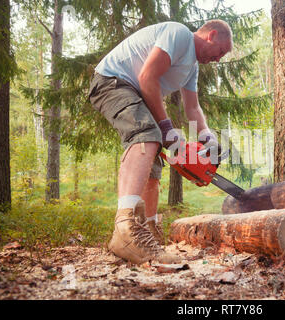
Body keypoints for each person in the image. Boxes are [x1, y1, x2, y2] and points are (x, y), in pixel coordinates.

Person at [88, 20, 233, 264]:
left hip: (135, 92)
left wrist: (207, 136)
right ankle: (125, 228)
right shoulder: (179, 35)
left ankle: (148, 231)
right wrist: (166, 127)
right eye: (220, 52)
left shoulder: (192, 69)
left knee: (152, 160)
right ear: (212, 35)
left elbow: (193, 107)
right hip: (113, 81)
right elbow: (147, 77)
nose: (218, 59)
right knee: (146, 136)